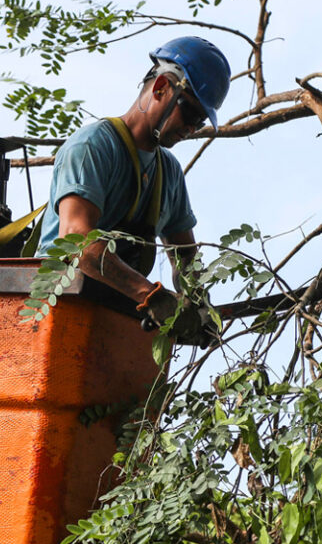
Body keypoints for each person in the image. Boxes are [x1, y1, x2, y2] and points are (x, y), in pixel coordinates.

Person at [37, 36, 231, 343]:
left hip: (113, 328)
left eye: (201, 122)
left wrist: (199, 306)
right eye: (190, 114)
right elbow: (78, 243)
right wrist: (152, 297)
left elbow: (186, 261)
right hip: (57, 312)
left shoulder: (168, 174)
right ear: (161, 88)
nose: (192, 129)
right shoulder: (93, 146)